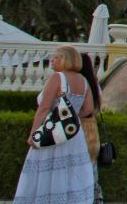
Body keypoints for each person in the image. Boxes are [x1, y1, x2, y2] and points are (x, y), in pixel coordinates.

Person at [14, 45, 95, 203]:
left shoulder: (57, 77)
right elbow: (88, 109)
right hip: (73, 133)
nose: (52, 60)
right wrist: (71, 116)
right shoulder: (83, 80)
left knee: (47, 171)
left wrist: (33, 133)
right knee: (70, 171)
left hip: (51, 130)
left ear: (66, 60)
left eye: (57, 57)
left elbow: (44, 108)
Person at [80, 53, 105, 204]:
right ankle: (94, 196)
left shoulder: (80, 84)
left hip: (80, 126)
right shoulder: (94, 85)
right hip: (92, 128)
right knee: (91, 166)